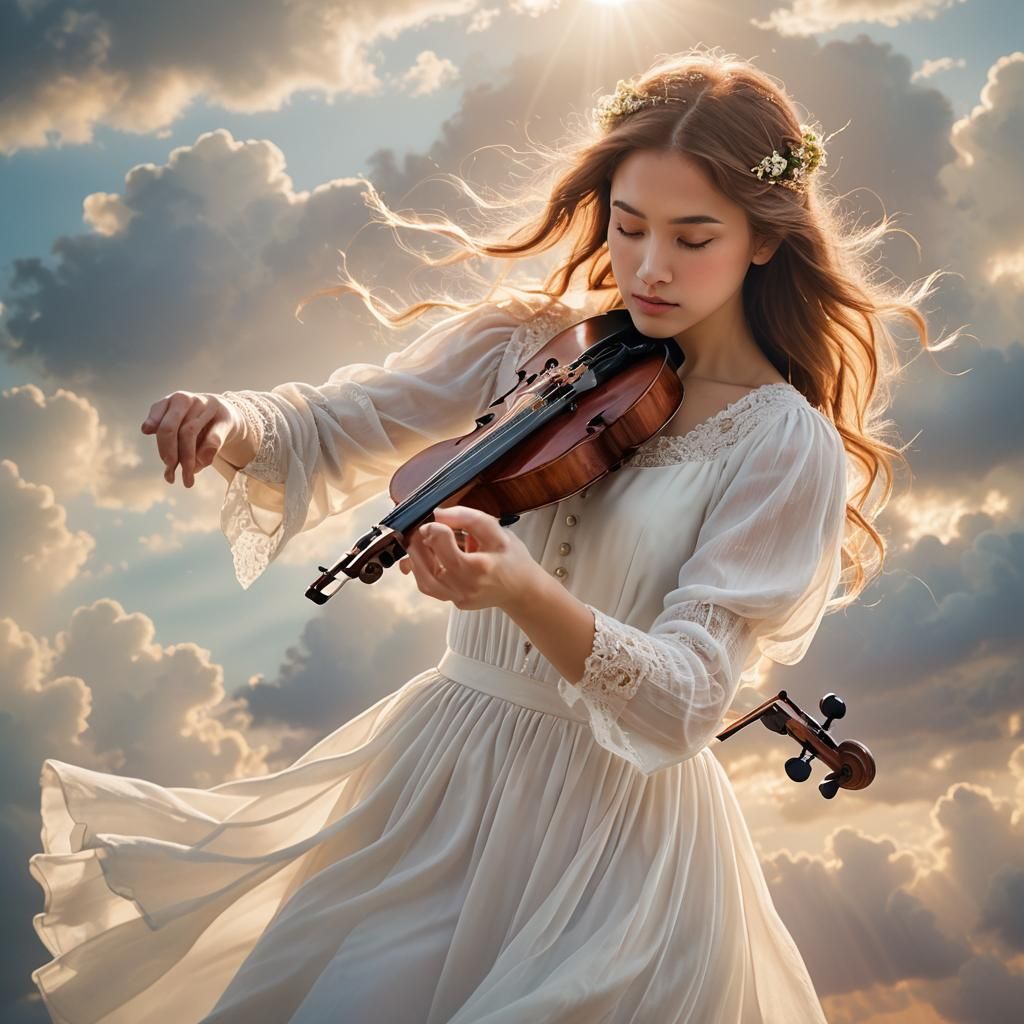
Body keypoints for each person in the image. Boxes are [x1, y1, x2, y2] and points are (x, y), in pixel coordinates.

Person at [29, 46, 954, 1024]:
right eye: (628, 225)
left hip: (610, 847)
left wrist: (523, 590)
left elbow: (684, 699)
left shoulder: (779, 441)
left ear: (763, 240)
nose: (646, 266)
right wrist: (232, 420)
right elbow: (346, 419)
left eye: (692, 238)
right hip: (433, 782)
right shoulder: (533, 345)